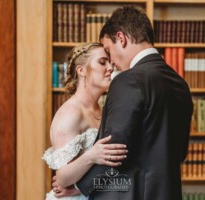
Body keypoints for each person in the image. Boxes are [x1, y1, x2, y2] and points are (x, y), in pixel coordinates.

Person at [57, 6, 193, 200]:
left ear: (121, 38)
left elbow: (113, 151)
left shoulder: (127, 81)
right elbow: (181, 153)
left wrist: (80, 187)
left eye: (108, 51)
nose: (111, 63)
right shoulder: (180, 84)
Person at [42, 42, 128, 200]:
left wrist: (81, 190)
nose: (110, 67)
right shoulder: (70, 114)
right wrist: (92, 155)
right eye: (102, 62)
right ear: (81, 70)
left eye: (110, 62)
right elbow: (62, 179)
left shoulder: (100, 109)